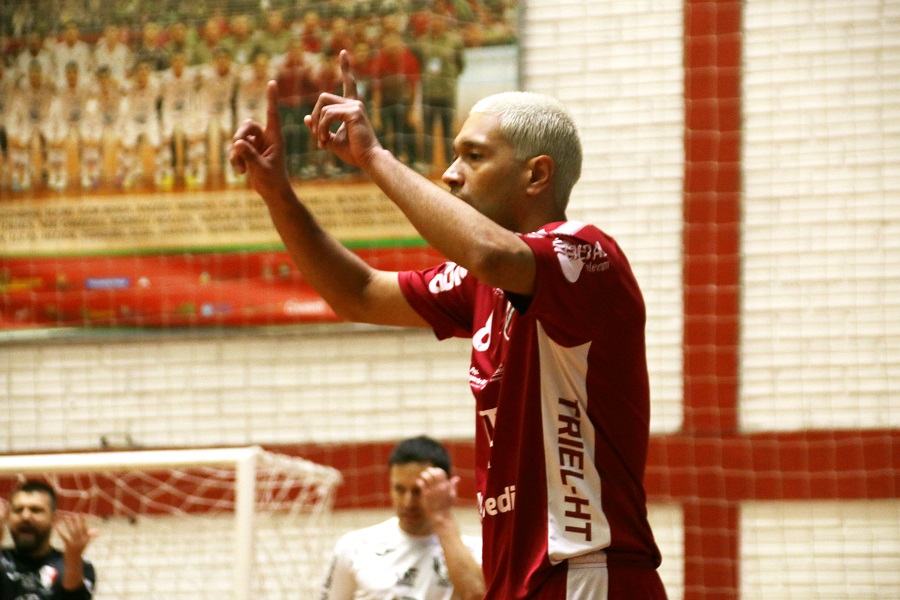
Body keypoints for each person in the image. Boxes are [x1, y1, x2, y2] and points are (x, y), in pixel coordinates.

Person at [230, 50, 667, 599]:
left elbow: (490, 251)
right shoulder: (483, 282)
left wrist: (373, 157)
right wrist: (278, 196)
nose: (450, 173)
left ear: (536, 174)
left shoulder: (584, 254)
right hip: (519, 582)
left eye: (473, 156)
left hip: (588, 571)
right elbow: (359, 294)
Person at [319, 436, 485, 600]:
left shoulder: (475, 551)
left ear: (446, 489)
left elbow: (477, 594)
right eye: (399, 489)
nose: (408, 503)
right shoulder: (354, 546)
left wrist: (442, 517)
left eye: (418, 491)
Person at [0, 479, 98, 599]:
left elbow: (75, 597)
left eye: (36, 510)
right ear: (8, 518)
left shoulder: (77, 565)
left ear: (54, 518)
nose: (25, 516)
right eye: (18, 510)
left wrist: (73, 557)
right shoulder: (3, 560)